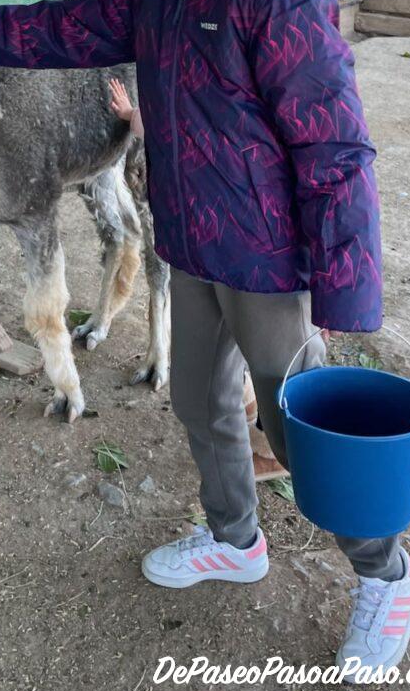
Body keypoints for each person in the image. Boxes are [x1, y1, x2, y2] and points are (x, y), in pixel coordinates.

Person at [0, 0, 410, 682]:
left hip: (268, 262)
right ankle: (236, 539)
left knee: (300, 432)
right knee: (200, 402)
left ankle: (388, 574)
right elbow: (58, 27)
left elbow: (335, 149)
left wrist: (347, 294)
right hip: (191, 246)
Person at [109, 75, 288, 482]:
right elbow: (169, 116)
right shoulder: (195, 78)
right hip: (211, 240)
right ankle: (245, 414)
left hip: (258, 244)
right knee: (225, 351)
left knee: (269, 358)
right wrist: (132, 115)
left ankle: (272, 453)